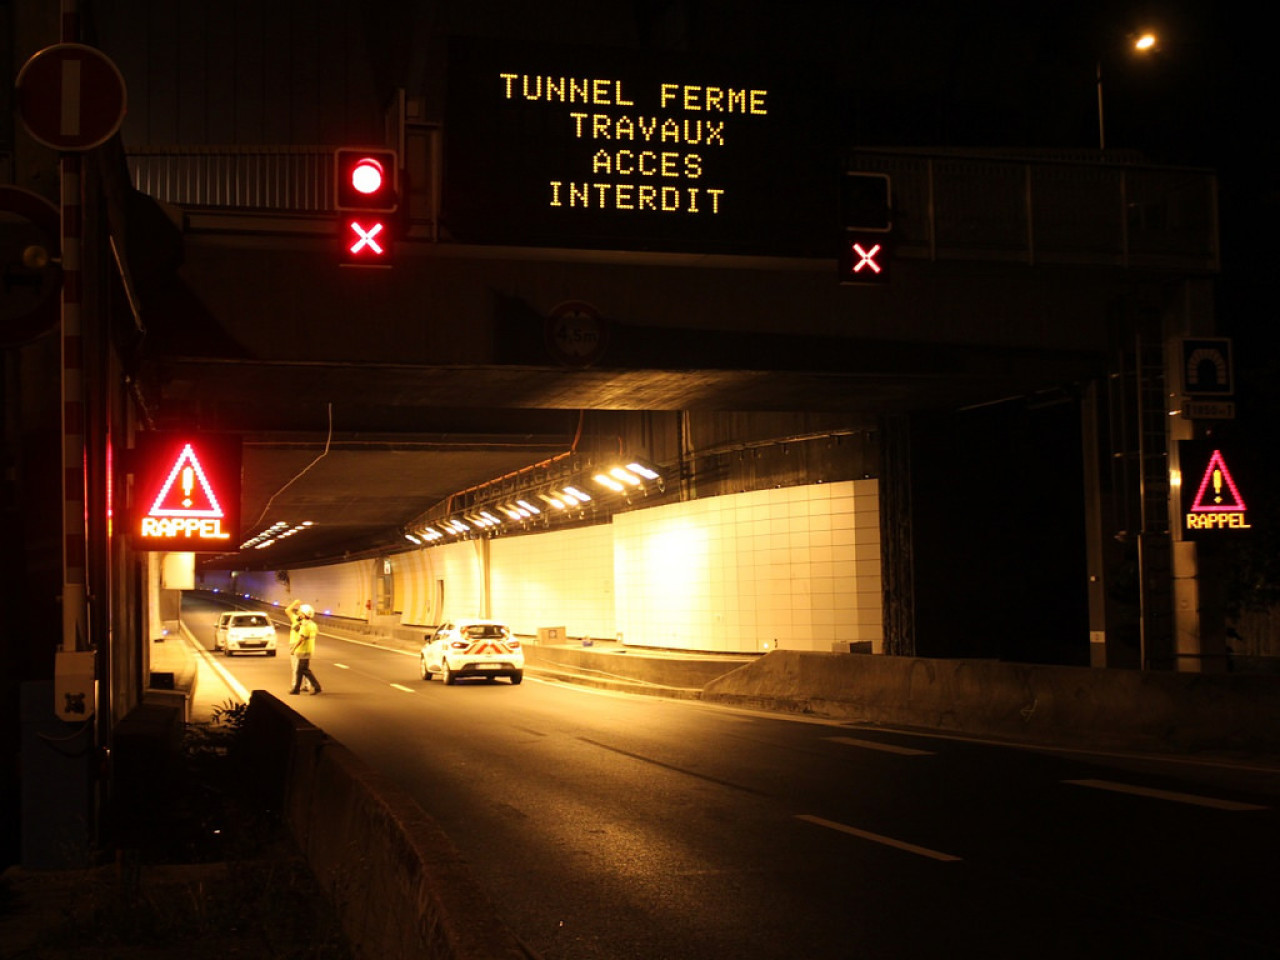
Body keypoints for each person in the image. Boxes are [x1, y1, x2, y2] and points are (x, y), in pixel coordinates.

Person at [286, 599, 322, 695]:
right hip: (309, 649)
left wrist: (294, 649)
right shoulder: (313, 624)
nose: (299, 614)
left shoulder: (305, 625)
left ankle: (316, 687)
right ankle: (297, 689)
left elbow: (302, 638)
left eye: (301, 613)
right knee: (301, 670)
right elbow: (316, 633)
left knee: (303, 670)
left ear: (305, 614)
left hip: (303, 650)